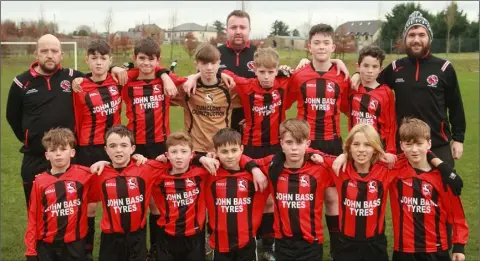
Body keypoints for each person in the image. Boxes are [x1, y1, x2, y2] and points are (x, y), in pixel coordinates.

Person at [6, 33, 127, 208]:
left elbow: (97, 71)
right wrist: (28, 138)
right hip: (35, 155)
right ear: (36, 54)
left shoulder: (72, 76)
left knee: (68, 208)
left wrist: (115, 67)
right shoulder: (21, 82)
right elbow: (12, 116)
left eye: (54, 51)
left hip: (68, 155)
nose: (49, 55)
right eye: (44, 51)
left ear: (61, 55)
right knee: (37, 207)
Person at [313, 123, 455, 261]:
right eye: (356, 144)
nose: (361, 149)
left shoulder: (386, 168)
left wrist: (440, 164)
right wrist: (343, 155)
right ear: (349, 146)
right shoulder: (339, 167)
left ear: (375, 148)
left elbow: (415, 150)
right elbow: (304, 150)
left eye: (367, 144)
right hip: (345, 244)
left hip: (376, 245)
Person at [350, 11, 466, 168]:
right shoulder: (396, 68)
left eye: (421, 35)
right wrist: (357, 74)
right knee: (405, 191)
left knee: (444, 190)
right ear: (405, 39)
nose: (416, 40)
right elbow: (371, 80)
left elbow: (456, 105)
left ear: (429, 38)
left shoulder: (444, 68)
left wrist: (458, 139)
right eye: (411, 35)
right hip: (404, 146)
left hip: (438, 144)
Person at [220, 47, 294, 260]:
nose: (267, 76)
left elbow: (307, 69)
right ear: (255, 70)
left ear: (277, 70)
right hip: (250, 148)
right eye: (262, 72)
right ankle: (249, 238)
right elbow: (222, 71)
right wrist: (219, 73)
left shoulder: (284, 82)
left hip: (275, 148)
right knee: (249, 196)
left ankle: (268, 244)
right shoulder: (246, 86)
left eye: (271, 72)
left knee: (270, 198)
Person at [287, 23, 352, 256]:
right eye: (317, 42)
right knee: (304, 196)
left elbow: (349, 108)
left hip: (333, 143)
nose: (321, 46)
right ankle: (302, 246)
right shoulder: (298, 76)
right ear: (309, 46)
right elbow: (282, 102)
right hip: (306, 144)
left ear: (333, 47)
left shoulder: (342, 76)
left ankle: (337, 249)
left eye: (326, 42)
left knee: (332, 197)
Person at [252, 119, 335, 261]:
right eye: (289, 142)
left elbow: (347, 162)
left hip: (312, 243)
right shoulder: (272, 165)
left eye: (299, 142)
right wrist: (254, 169)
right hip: (282, 243)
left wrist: (319, 155)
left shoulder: (320, 168)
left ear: (307, 144)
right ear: (281, 143)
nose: (294, 148)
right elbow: (240, 160)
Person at [390, 118, 468, 261]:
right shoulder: (395, 170)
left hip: (436, 250)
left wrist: (459, 246)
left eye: (419, 144)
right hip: (404, 250)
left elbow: (457, 215)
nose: (414, 150)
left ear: (429, 144)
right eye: (408, 144)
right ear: (401, 145)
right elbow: (368, 156)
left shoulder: (444, 178)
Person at [24, 128, 96, 261]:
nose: (58, 154)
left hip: (74, 244)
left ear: (72, 152)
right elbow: (33, 217)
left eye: (63, 149)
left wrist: (103, 162)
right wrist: (30, 251)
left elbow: (115, 170)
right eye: (53, 150)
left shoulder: (85, 174)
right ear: (46, 155)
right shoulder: (40, 181)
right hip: (46, 245)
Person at [205, 128, 270, 261]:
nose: (229, 156)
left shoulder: (256, 173)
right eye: (224, 151)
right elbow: (187, 157)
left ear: (242, 149)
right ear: (216, 152)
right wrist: (203, 158)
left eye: (234, 150)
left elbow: (292, 152)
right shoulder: (208, 173)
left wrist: (254, 168)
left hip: (246, 242)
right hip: (219, 243)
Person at [171, 43, 241, 154]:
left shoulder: (229, 88)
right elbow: (161, 92)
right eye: (204, 63)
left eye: (213, 63)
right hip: (194, 149)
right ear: (197, 65)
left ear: (219, 64)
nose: (209, 68)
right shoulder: (187, 88)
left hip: (221, 149)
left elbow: (253, 98)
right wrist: (192, 77)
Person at [347, 46, 397, 158]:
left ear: (381, 69)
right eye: (366, 66)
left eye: (375, 67)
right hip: (355, 147)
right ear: (358, 66)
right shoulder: (352, 88)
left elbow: (390, 125)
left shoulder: (386, 92)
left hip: (377, 149)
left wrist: (390, 151)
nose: (370, 71)